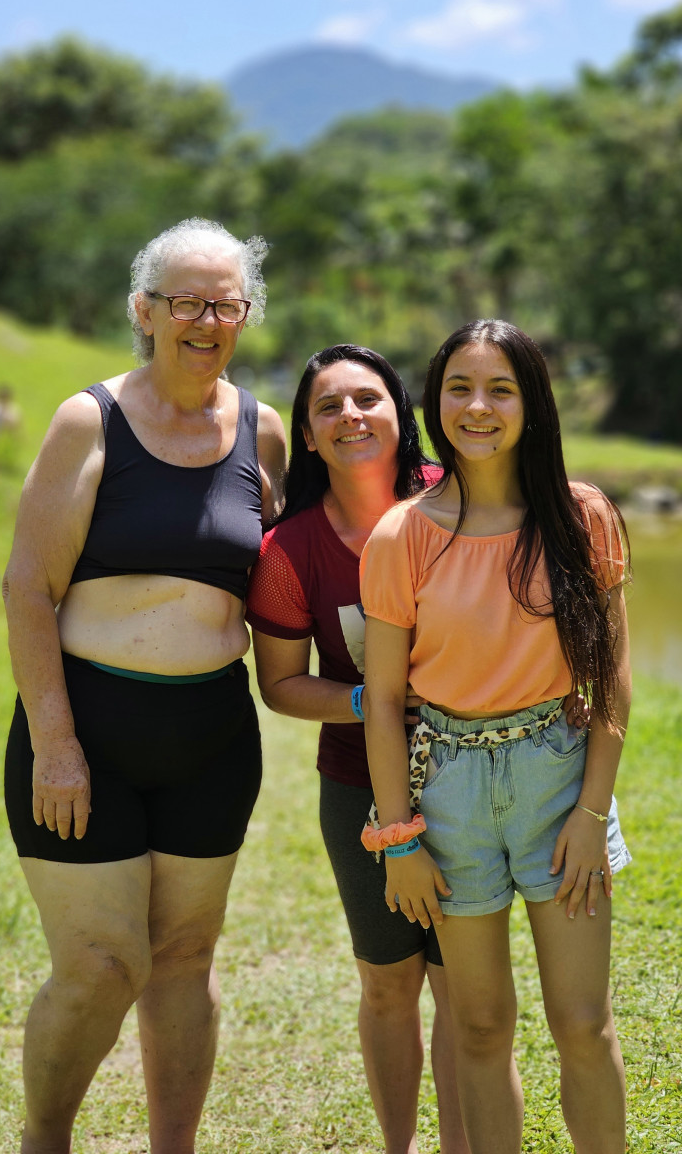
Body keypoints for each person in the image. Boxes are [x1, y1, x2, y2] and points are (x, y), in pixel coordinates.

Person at [2, 217, 287, 1154]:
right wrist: (54, 741)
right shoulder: (92, 419)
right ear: (145, 310)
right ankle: (46, 1140)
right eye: (185, 302)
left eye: (226, 302)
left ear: (245, 314)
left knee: (183, 960)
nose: (207, 320)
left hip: (211, 733)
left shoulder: (263, 430)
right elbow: (29, 587)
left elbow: (299, 565)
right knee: (98, 965)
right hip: (89, 728)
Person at [360, 319, 632, 1154]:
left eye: (500, 389)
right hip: (449, 791)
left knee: (582, 1024)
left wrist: (591, 816)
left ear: (531, 403)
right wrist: (401, 839)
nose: (478, 407)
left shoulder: (581, 515)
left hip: (559, 777)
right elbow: (383, 700)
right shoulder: (401, 534)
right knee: (478, 1029)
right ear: (435, 403)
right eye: (459, 389)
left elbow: (612, 682)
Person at [246, 344, 469, 1154]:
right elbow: (279, 683)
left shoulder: (461, 501)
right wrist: (371, 702)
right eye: (330, 407)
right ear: (307, 434)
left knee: (464, 992)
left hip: (476, 778)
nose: (351, 417)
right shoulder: (288, 552)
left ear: (400, 412)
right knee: (388, 986)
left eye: (368, 399)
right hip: (356, 790)